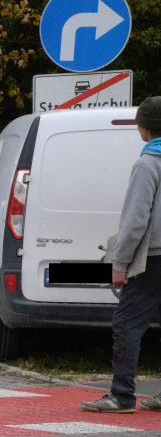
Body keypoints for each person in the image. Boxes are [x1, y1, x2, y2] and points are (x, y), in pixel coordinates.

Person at [80, 96, 161, 413]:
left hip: (152, 258)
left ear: (143, 128)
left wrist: (120, 263)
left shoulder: (147, 164)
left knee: (127, 323)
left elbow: (135, 220)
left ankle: (122, 395)